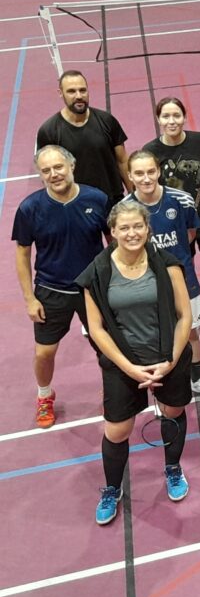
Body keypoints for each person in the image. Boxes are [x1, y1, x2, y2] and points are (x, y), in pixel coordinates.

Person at [77, 202, 194, 525]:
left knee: (173, 412)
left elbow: (185, 316)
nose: (132, 233)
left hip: (167, 357)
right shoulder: (97, 272)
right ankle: (112, 488)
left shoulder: (167, 264)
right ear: (113, 231)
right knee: (117, 430)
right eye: (124, 228)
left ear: (147, 229)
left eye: (138, 226)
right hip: (123, 364)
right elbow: (96, 329)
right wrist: (129, 368)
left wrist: (169, 361)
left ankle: (173, 468)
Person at [13, 146, 107, 428]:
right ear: (40, 175)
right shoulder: (30, 208)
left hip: (93, 290)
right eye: (46, 170)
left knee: (106, 349)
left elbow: (114, 242)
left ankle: (111, 392)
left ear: (71, 166)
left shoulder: (97, 199)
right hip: (51, 290)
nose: (53, 174)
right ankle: (44, 395)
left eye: (58, 167)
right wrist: (30, 299)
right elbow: (22, 255)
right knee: (44, 353)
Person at [123, 151, 200, 402]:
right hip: (144, 284)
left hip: (183, 278)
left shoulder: (182, 200)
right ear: (130, 176)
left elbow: (189, 234)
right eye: (139, 173)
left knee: (190, 331)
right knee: (154, 334)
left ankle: (197, 379)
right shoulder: (124, 209)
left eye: (151, 171)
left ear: (158, 171)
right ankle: (160, 384)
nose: (146, 178)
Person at [141, 96, 200, 283]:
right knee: (183, 274)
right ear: (158, 119)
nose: (171, 121)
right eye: (166, 116)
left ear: (184, 117)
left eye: (176, 115)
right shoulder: (151, 151)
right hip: (175, 223)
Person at [36, 70, 129, 213]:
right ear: (61, 93)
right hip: (77, 205)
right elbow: (48, 174)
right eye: (71, 91)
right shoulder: (49, 131)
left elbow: (122, 161)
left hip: (113, 201)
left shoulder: (107, 120)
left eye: (82, 90)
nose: (79, 96)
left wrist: (134, 195)